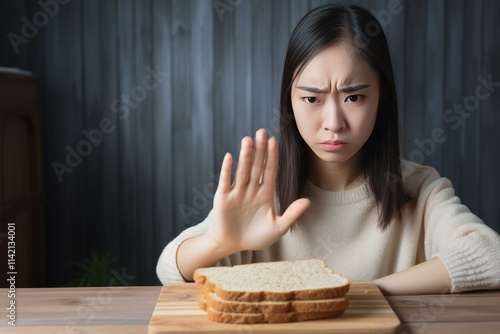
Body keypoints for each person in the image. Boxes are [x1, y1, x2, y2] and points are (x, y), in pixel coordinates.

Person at [156, 4, 500, 295]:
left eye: (354, 97)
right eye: (311, 98)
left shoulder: (419, 189)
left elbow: (491, 256)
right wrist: (219, 241)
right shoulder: (265, 195)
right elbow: (170, 269)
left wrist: (360, 293)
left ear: (382, 98)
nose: (333, 122)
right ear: (289, 103)